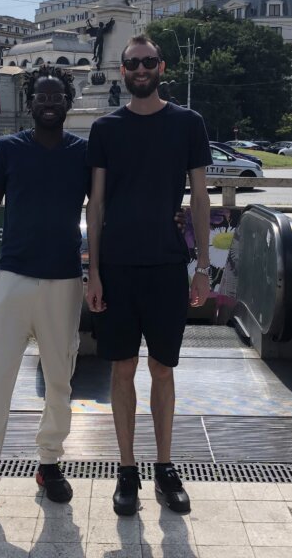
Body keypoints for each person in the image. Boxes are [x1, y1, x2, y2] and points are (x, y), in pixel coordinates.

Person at [0, 65, 90, 524]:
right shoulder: (8, 150)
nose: (49, 102)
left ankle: (49, 464)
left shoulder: (83, 154)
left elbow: (107, 209)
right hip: (11, 280)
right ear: (30, 103)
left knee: (60, 383)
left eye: (56, 96)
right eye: (41, 96)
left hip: (65, 283)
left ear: (69, 102)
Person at [85, 34, 212, 516]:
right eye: (132, 63)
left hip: (165, 265)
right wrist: (92, 270)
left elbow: (200, 199)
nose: (141, 69)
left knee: (163, 368)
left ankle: (163, 468)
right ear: (122, 71)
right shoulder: (105, 129)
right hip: (115, 266)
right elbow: (95, 205)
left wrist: (202, 267)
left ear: (162, 67)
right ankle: (126, 470)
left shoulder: (187, 123)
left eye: (149, 62)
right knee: (121, 369)